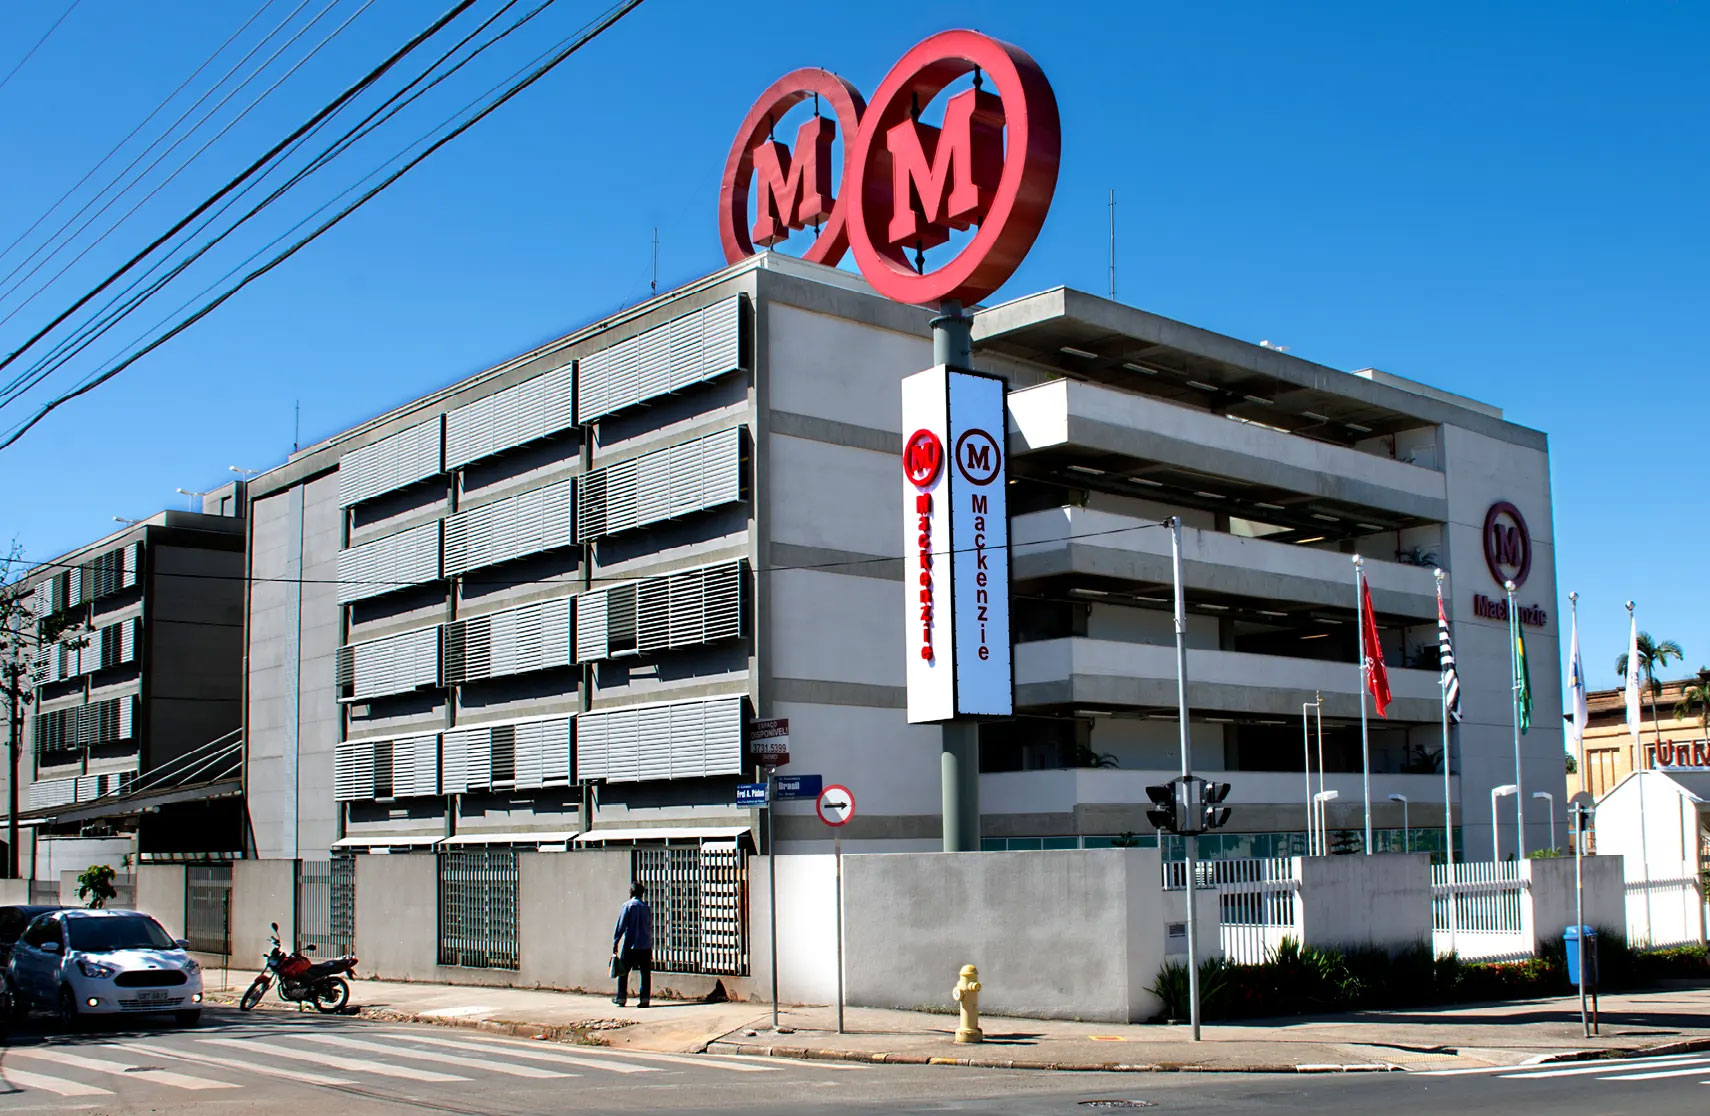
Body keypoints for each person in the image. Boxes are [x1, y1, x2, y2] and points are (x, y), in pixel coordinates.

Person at [612, 881, 653, 1008]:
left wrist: (616, 941)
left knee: (623, 972)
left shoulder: (627, 906)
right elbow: (649, 925)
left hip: (631, 945)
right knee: (645, 973)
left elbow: (621, 926)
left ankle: (621, 997)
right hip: (645, 945)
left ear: (631, 892)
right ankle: (645, 999)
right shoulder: (646, 907)